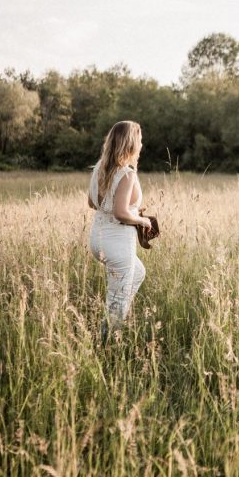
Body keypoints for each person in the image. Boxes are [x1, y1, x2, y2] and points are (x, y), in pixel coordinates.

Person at [87, 120, 152, 340]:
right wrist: (143, 222)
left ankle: (119, 315)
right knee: (117, 299)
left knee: (139, 272)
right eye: (140, 140)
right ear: (132, 143)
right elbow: (120, 213)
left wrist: (129, 207)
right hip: (117, 243)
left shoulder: (100, 167)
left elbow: (91, 202)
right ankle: (107, 343)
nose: (142, 144)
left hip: (98, 239)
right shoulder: (126, 173)